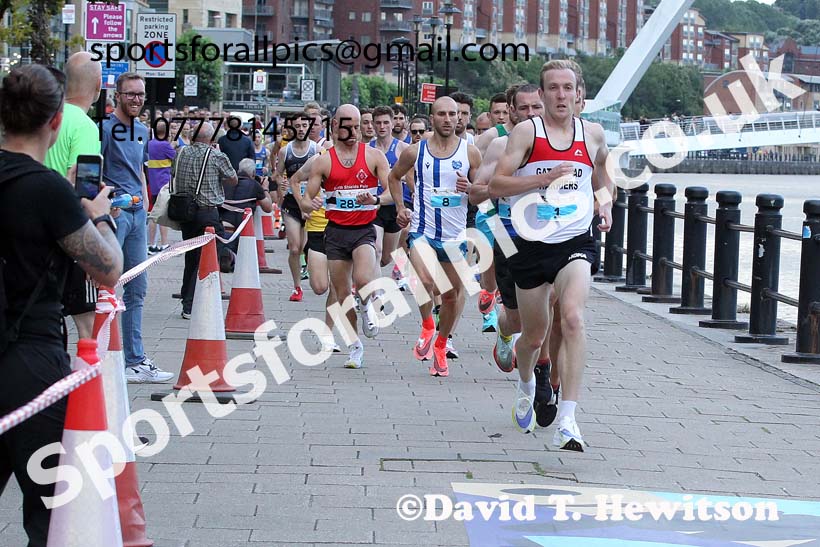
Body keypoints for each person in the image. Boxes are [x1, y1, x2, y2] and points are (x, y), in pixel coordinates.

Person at [0, 64, 123, 547]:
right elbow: (107, 268)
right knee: (55, 503)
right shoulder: (48, 189)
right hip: (30, 361)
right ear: (55, 122)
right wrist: (99, 214)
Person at [489, 60, 613, 450]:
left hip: (576, 241)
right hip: (530, 244)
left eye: (568, 88)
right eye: (553, 88)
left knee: (573, 317)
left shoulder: (592, 135)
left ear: (579, 95)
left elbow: (605, 178)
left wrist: (605, 205)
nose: (561, 95)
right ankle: (526, 383)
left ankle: (568, 419)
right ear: (541, 96)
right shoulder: (528, 133)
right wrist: (542, 178)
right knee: (533, 336)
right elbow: (496, 184)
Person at [388, 96, 481, 377]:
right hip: (423, 230)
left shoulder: (471, 153)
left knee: (451, 296)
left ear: (460, 118)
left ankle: (441, 344)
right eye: (441, 114)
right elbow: (394, 177)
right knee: (425, 280)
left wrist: (470, 188)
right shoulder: (416, 152)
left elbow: (483, 192)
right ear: (433, 117)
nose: (448, 119)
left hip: (455, 236)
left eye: (453, 114)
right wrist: (402, 208)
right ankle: (428, 324)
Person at [303, 104, 391, 369]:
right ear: (334, 127)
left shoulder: (374, 156)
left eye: (356, 126)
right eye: (346, 126)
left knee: (364, 279)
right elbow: (307, 198)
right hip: (335, 232)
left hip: (364, 229)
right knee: (341, 295)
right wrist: (311, 203)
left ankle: (367, 306)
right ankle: (355, 346)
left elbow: (391, 193)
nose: (353, 131)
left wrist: (375, 198)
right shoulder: (324, 160)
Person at [102, 72, 174, 383]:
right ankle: (100, 356)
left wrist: (146, 207)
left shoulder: (143, 130)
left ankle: (134, 359)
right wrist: (109, 205)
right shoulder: (103, 129)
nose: (136, 99)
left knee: (138, 289)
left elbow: (141, 171)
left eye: (140, 94)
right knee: (104, 287)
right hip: (116, 213)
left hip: (136, 216)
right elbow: (93, 169)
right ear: (117, 96)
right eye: (130, 94)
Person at [470, 84, 543, 373]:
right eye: (523, 108)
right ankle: (504, 331)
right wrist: (500, 187)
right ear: (511, 111)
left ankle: (541, 373)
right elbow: (476, 192)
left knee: (551, 308)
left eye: (536, 107)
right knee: (516, 319)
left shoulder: (561, 141)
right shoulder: (500, 143)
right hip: (508, 231)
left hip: (551, 236)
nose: (530, 113)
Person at [43, 52, 104, 340]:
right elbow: (85, 189)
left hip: (36, 236)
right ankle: (86, 384)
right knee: (87, 327)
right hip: (71, 236)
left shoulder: (47, 119)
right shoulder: (84, 126)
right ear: (99, 85)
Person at [173, 121, 238, 319]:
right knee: (208, 255)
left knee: (191, 256)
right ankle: (190, 305)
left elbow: (173, 174)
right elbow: (233, 178)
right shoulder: (216, 155)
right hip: (207, 212)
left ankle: (186, 295)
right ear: (211, 139)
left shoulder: (181, 153)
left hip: (185, 211)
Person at [274, 113, 318, 302]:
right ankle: (297, 286)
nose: (301, 129)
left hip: (311, 202)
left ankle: (312, 272)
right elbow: (276, 174)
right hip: (292, 202)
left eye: (304, 125)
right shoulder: (286, 151)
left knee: (307, 247)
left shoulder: (317, 150)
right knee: (294, 248)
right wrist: (281, 183)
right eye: (297, 126)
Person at [368, 106, 404, 282]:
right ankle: (375, 295)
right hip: (373, 205)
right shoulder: (366, 149)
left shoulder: (403, 149)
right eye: (378, 123)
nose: (382, 126)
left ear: (392, 124)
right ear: (373, 125)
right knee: (376, 249)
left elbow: (413, 177)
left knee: (385, 258)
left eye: (386, 123)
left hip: (395, 206)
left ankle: (366, 277)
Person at [219, 158, 273, 271]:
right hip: (241, 228)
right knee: (240, 257)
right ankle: (231, 256)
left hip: (222, 224)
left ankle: (224, 254)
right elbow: (268, 208)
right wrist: (265, 189)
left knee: (223, 247)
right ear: (253, 173)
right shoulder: (254, 185)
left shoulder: (225, 182)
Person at [146, 121, 175, 254]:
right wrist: (173, 145)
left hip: (152, 182)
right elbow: (175, 156)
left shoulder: (150, 143)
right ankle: (164, 243)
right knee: (163, 214)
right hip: (164, 183)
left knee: (153, 214)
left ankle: (151, 244)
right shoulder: (164, 145)